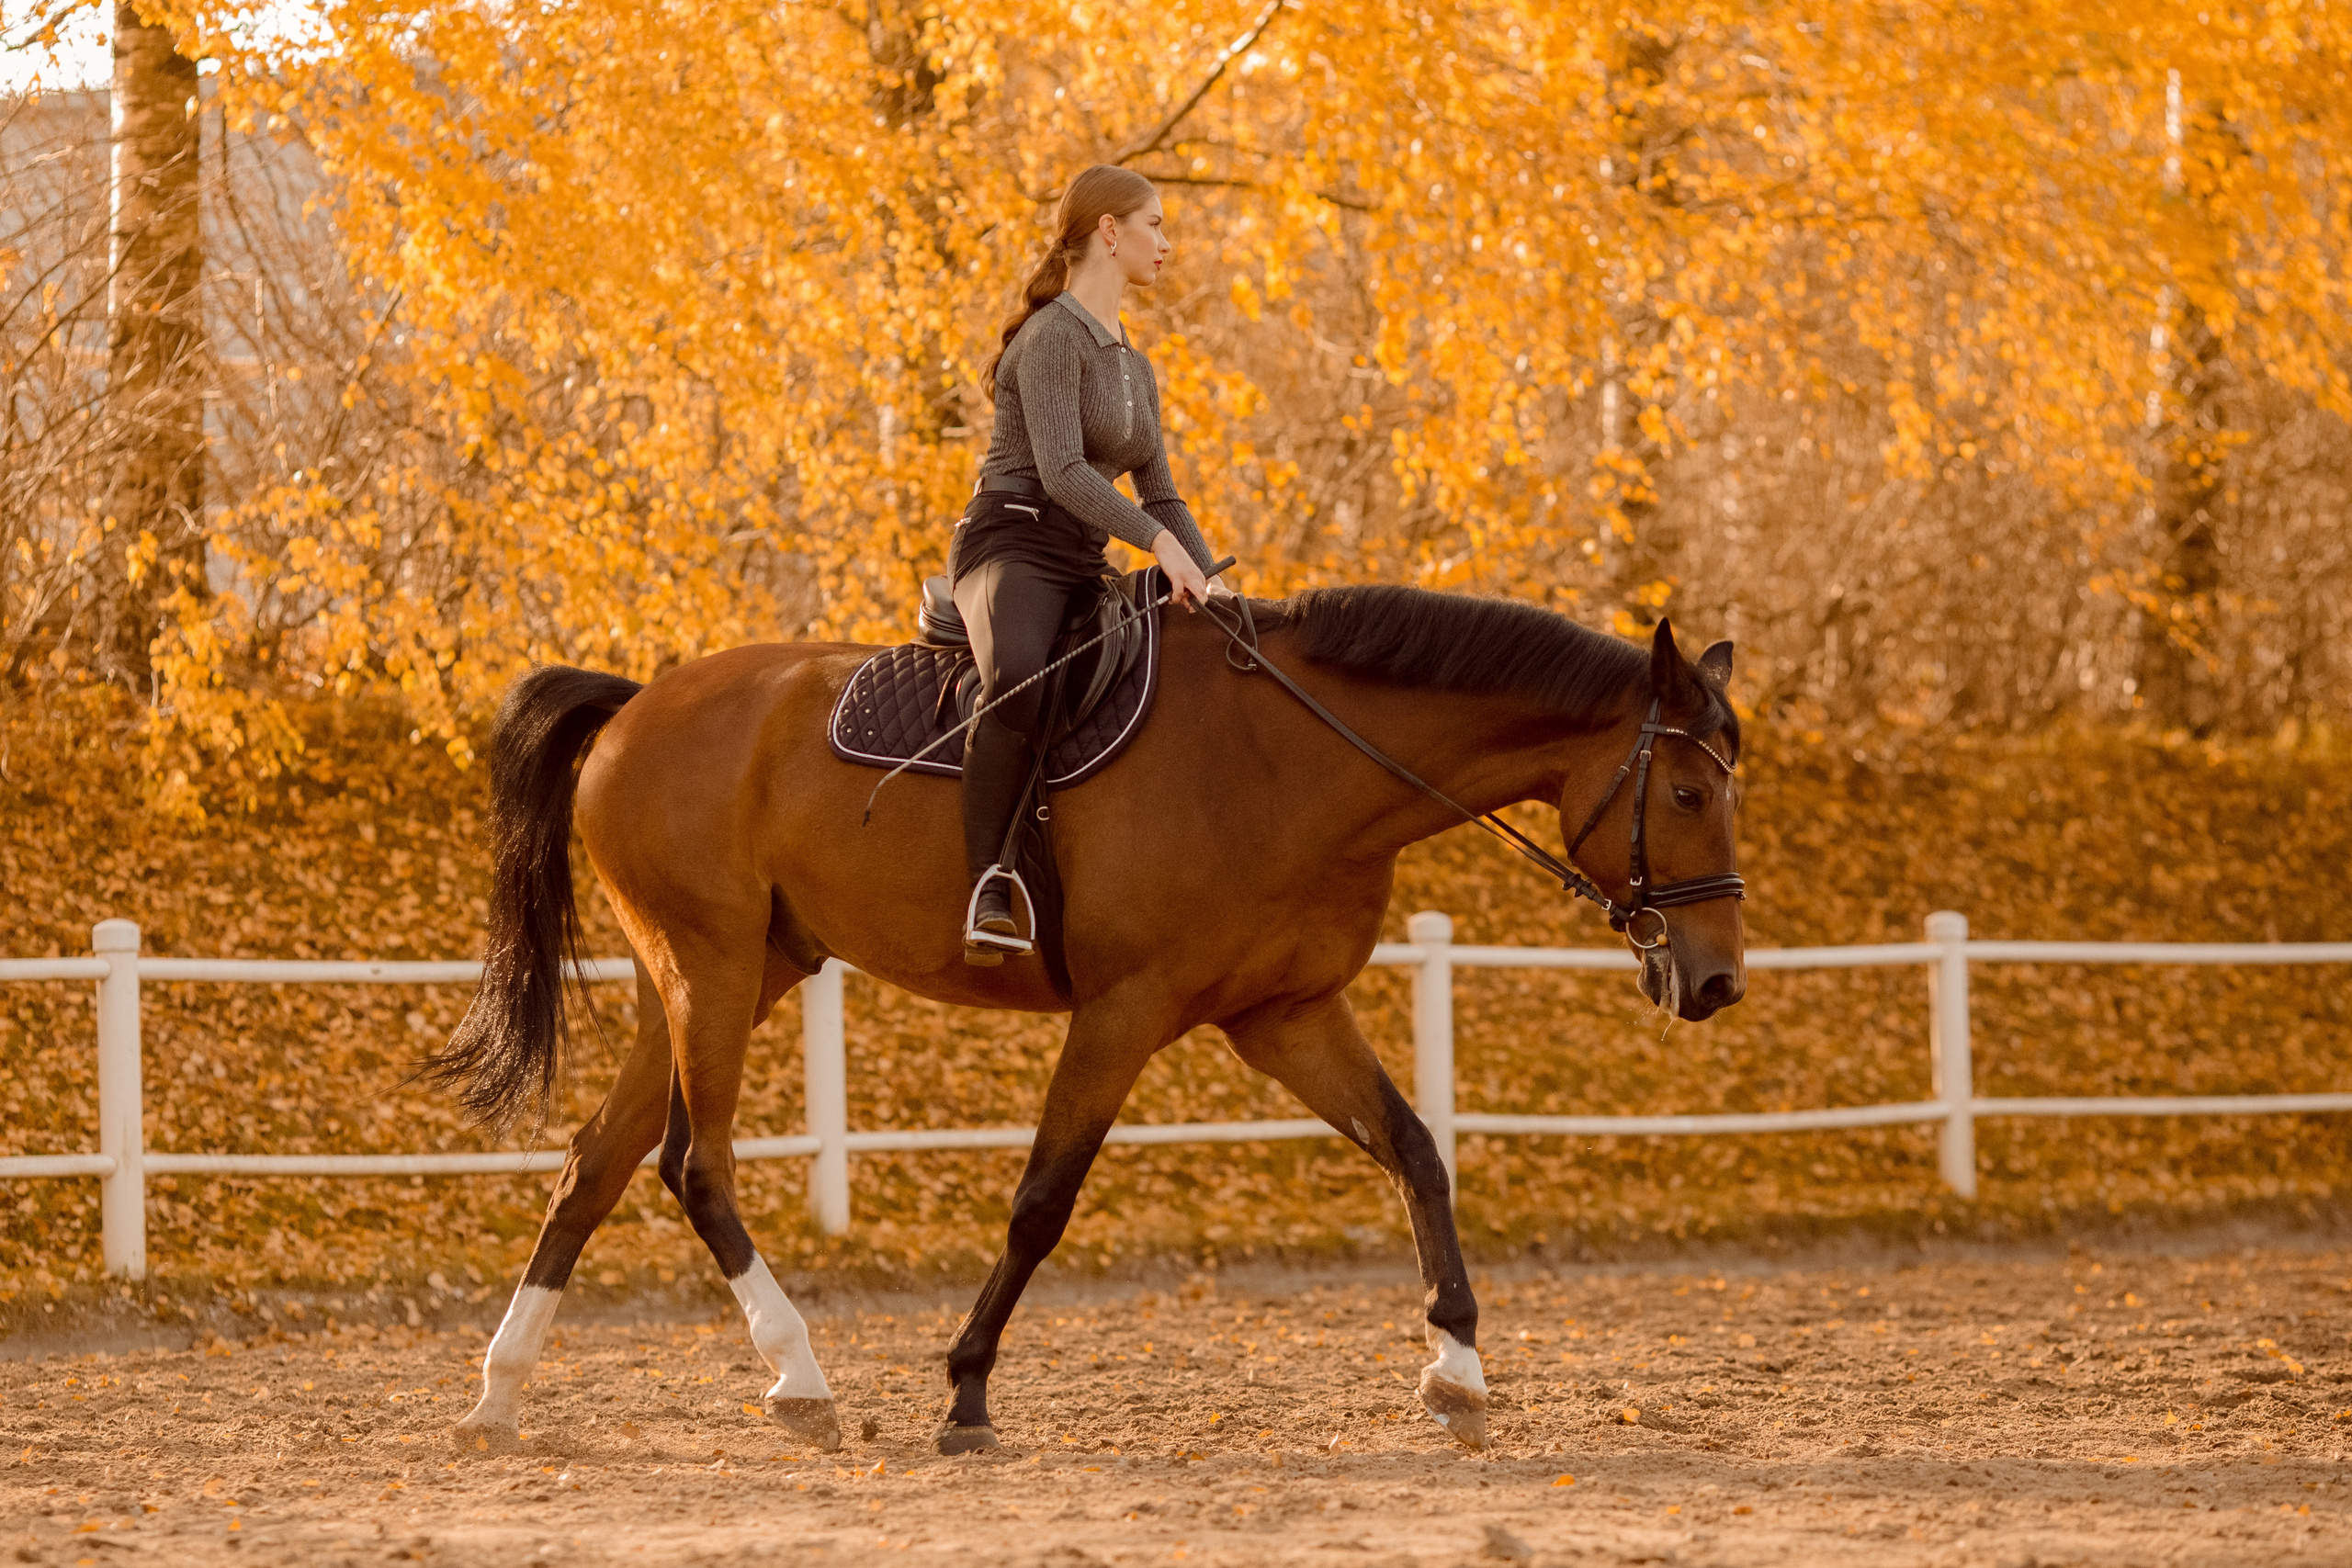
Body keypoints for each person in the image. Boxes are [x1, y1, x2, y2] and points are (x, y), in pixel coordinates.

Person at [953, 164, 1222, 964]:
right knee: (1021, 676)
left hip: (1080, 554)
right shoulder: (1048, 339)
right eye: (1156, 225)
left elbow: (1163, 497)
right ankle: (986, 881)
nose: (1167, 245)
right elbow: (1065, 470)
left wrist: (1210, 581)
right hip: (1009, 542)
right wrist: (1156, 545)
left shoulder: (1135, 368)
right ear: (1110, 231)